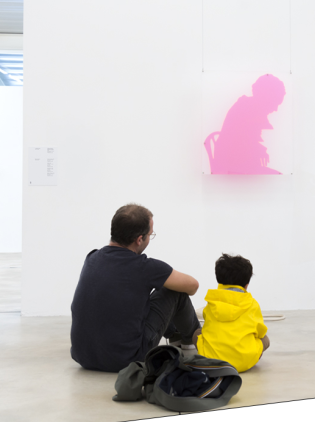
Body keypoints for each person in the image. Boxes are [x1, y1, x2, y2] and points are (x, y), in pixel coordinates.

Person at [70, 204, 202, 372]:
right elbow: (193, 286)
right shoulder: (145, 267)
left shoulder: (92, 258)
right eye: (150, 235)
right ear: (139, 239)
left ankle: (175, 335)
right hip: (128, 360)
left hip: (84, 357)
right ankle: (193, 340)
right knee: (174, 291)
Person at [195, 254, 270, 373]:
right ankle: (245, 358)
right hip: (244, 362)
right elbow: (260, 332)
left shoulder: (211, 302)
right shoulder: (252, 304)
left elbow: (207, 328)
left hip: (213, 361)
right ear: (246, 285)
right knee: (265, 339)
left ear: (218, 280)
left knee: (197, 333)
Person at [203, 74, 286, 175]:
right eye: (275, 103)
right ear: (267, 98)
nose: (275, 109)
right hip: (231, 165)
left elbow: (244, 139)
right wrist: (258, 150)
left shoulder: (248, 106)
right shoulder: (248, 110)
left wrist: (259, 149)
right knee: (276, 177)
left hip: (233, 162)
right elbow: (238, 142)